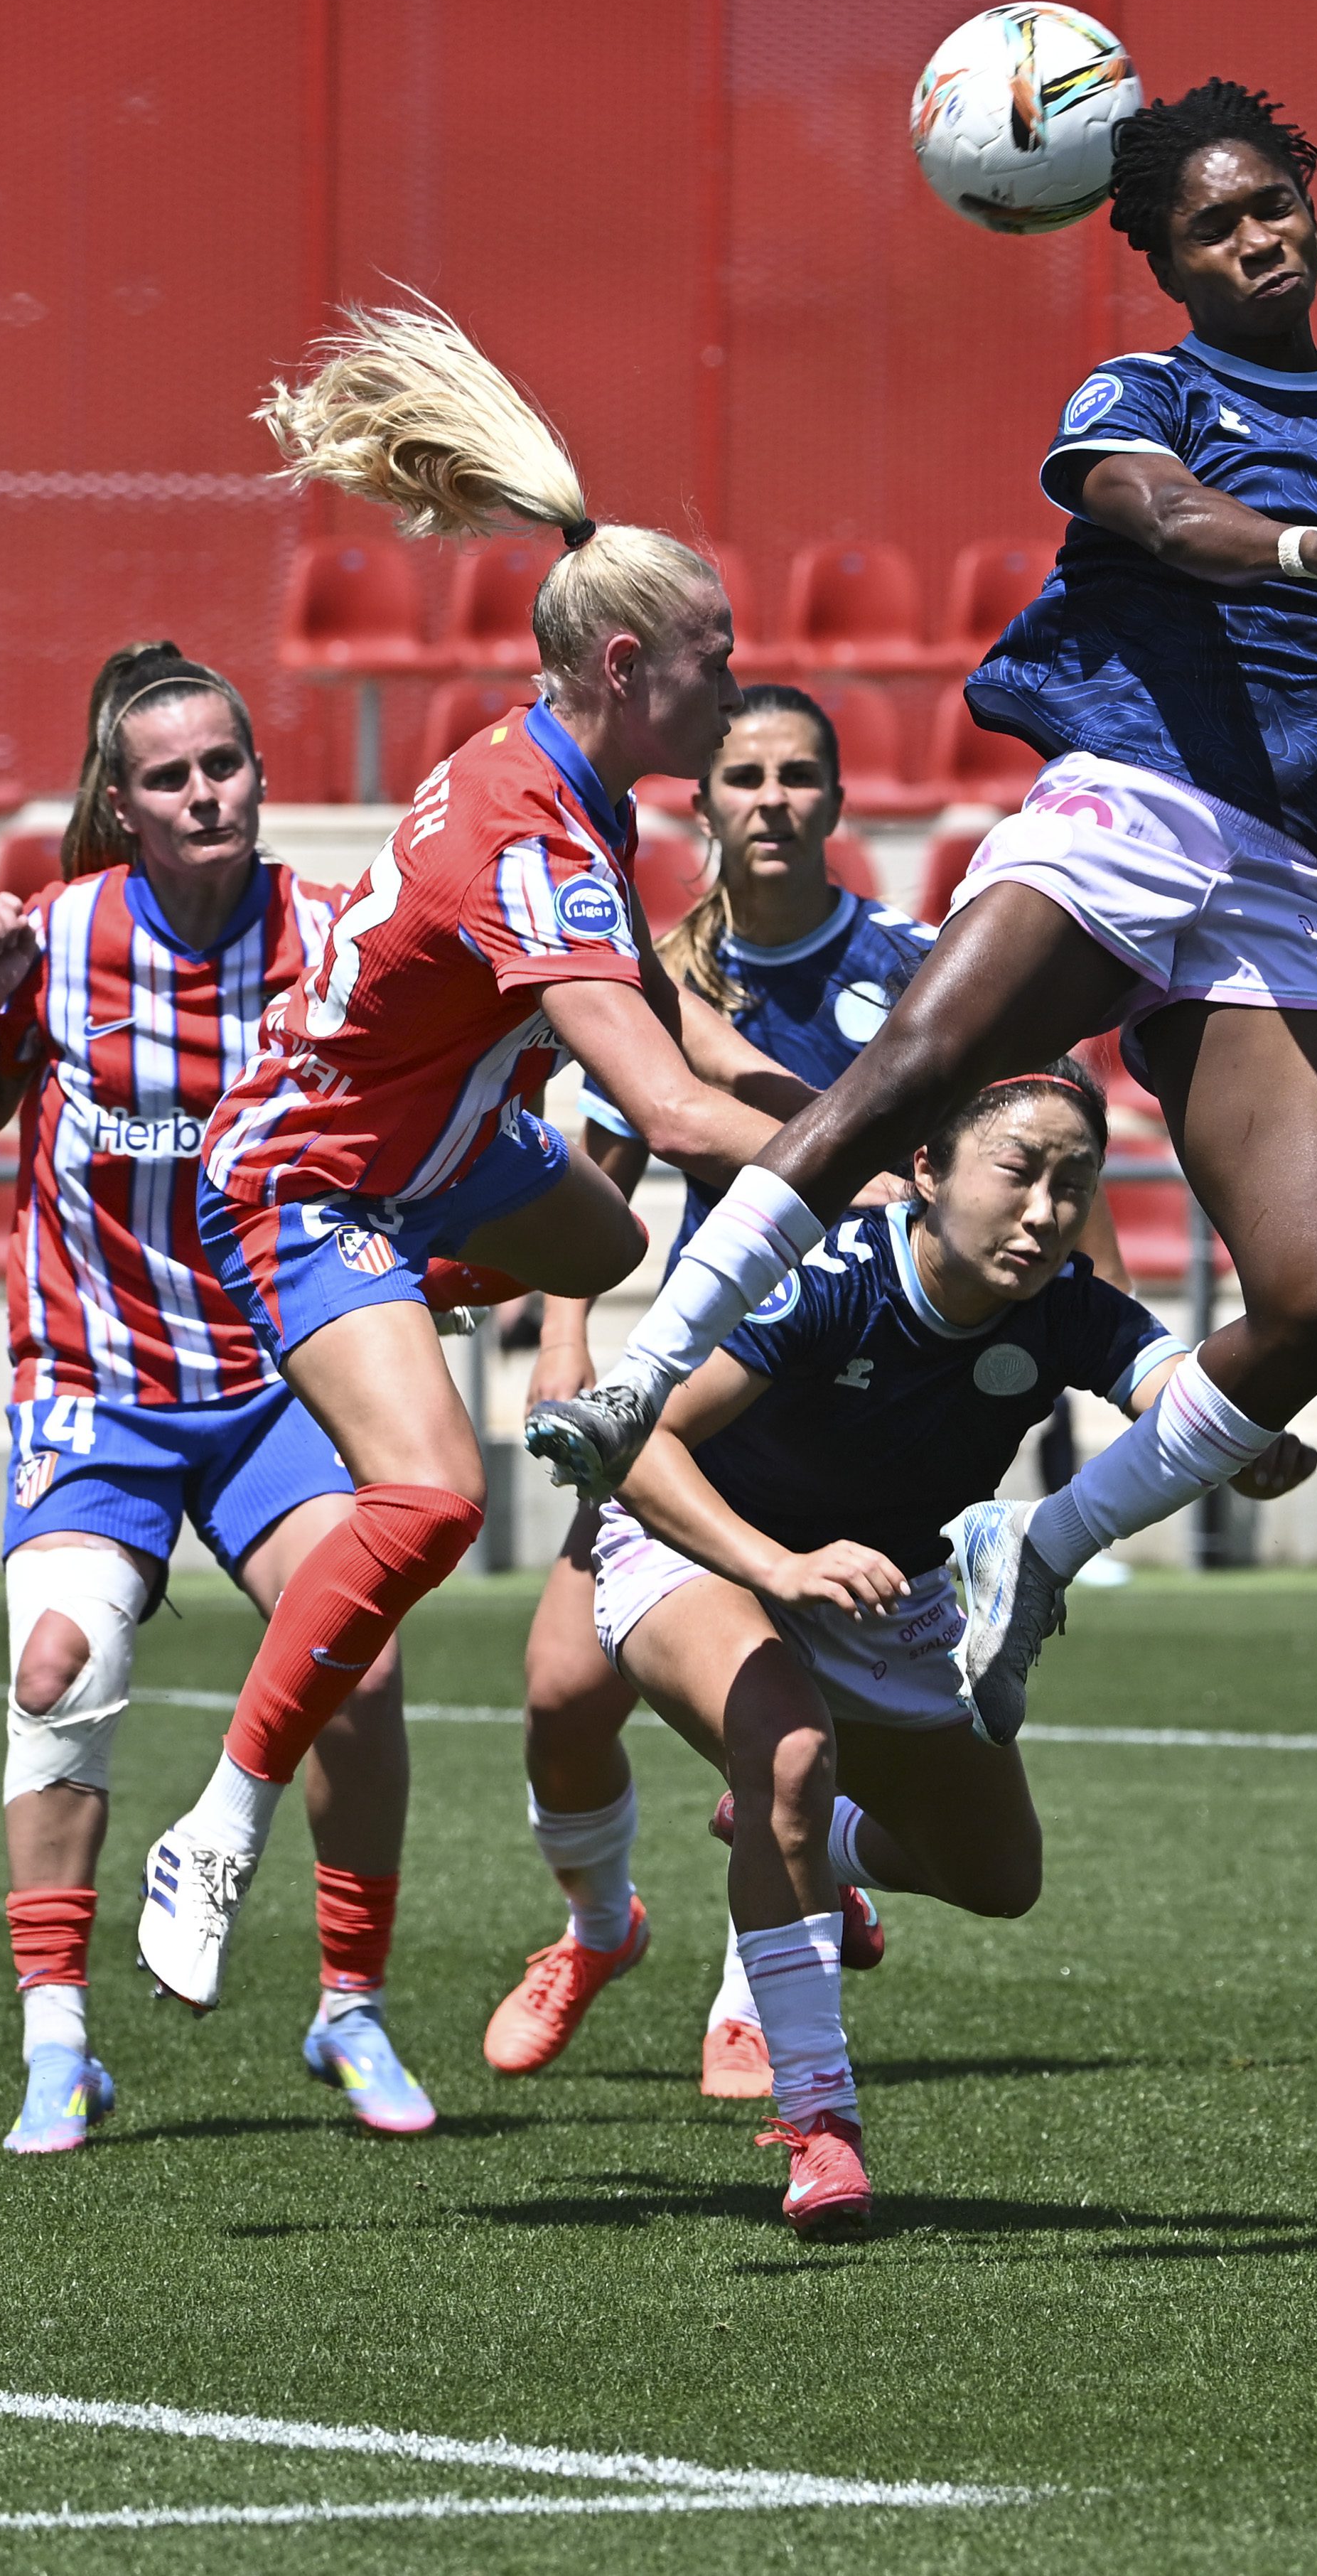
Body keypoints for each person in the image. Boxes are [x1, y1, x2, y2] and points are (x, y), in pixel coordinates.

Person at [527, 75, 1317, 1744]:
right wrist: (1305, 553)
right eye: (1214, 226)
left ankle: (1037, 1551)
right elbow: (1158, 513)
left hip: (1278, 879)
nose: (1257, 239)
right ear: (1165, 261)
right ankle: (642, 1377)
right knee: (911, 1072)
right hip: (1125, 805)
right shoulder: (1143, 392)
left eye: (1272, 204)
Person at [134, 306, 824, 2014]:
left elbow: (674, 1024)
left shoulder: (576, 792)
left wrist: (852, 1096)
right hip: (307, 1177)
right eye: (714, 659)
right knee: (436, 1497)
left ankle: (388, 1302)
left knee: (599, 1249)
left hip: (435, 1161)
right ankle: (216, 1822)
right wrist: (867, 1171)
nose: (733, 683)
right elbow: (670, 1106)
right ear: (624, 667)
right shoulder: (532, 833)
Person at [586, 1061, 1313, 2235]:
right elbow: (641, 1442)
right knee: (785, 1750)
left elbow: (1171, 1386)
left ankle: (807, 1843)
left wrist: (1245, 1437)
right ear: (925, 1169)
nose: (1044, 1211)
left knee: (996, 1877)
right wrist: (776, 1565)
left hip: (885, 1587)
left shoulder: (1065, 1306)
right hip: (705, 1546)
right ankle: (818, 2123)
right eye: (1017, 1171)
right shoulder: (830, 1275)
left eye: (1073, 1185)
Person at [0, 641, 436, 2153]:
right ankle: (58, 2043)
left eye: (224, 763)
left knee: (360, 1664)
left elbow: (404, 1114)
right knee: (54, 1669)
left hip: (276, 1381)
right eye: (169, 776)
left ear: (259, 775)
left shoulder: (330, 937)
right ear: (122, 803)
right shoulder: (55, 939)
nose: (205, 792)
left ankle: (350, 2006)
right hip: (96, 1379)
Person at [481, 682, 936, 2094]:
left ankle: (763, 1987)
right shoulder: (661, 976)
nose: (772, 801)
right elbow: (601, 1172)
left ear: (838, 799)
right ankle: (598, 1928)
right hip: (702, 1379)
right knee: (563, 1697)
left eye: (799, 775)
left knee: (782, 1714)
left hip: (857, 1390)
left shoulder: (914, 967)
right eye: (744, 776)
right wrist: (565, 1337)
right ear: (703, 803)